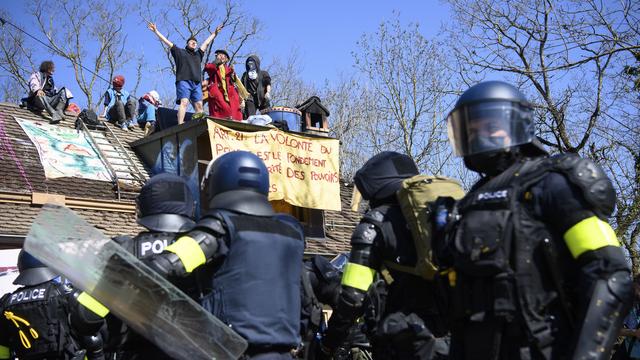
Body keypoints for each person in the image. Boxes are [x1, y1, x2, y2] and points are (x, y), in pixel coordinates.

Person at [438, 80, 632, 359]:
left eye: (490, 127)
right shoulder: (469, 203)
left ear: (516, 125)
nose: (480, 137)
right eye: (471, 131)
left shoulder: (551, 185)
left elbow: (609, 273)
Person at [144, 150, 305, 359]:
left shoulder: (220, 226)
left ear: (217, 183)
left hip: (232, 351)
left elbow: (169, 264)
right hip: (284, 353)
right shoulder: (291, 231)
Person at [320, 151, 446, 360]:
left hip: (398, 342)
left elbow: (352, 298)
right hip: (442, 342)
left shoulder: (375, 224)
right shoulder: (438, 218)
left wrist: (328, 343)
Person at [106, 173, 196, 359]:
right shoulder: (203, 249)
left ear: (143, 207)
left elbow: (94, 316)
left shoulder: (124, 249)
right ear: (189, 206)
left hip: (134, 352)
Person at [0, 250, 108, 360]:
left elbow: (2, 346)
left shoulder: (6, 303)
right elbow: (95, 326)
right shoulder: (66, 294)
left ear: (21, 266)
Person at [147, 22, 222, 125]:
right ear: (187, 43)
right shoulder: (180, 52)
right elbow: (167, 42)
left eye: (195, 42)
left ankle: (199, 124)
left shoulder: (198, 54)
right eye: (191, 41)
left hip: (196, 83)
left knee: (199, 106)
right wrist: (156, 31)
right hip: (184, 81)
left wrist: (215, 33)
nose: (194, 43)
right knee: (184, 102)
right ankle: (180, 124)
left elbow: (206, 43)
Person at [204, 49, 248, 121]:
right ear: (216, 56)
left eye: (224, 56)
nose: (222, 57)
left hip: (230, 93)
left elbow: (235, 83)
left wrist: (241, 98)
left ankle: (236, 122)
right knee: (224, 108)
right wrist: (216, 62)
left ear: (227, 59)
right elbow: (208, 68)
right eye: (220, 55)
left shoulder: (229, 69)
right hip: (217, 91)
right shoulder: (213, 66)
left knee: (235, 110)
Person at [616, 275, 640, 359]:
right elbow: (614, 329)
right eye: (637, 289)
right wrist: (634, 332)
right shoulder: (628, 302)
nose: (638, 293)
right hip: (626, 351)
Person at [241, 54, 271, 119]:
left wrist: (268, 92)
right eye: (249, 62)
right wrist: (242, 100)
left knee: (266, 117)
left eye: (252, 62)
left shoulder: (263, 73)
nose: (250, 64)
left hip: (262, 97)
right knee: (250, 117)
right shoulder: (245, 75)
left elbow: (268, 83)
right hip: (250, 98)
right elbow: (241, 88)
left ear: (256, 63)